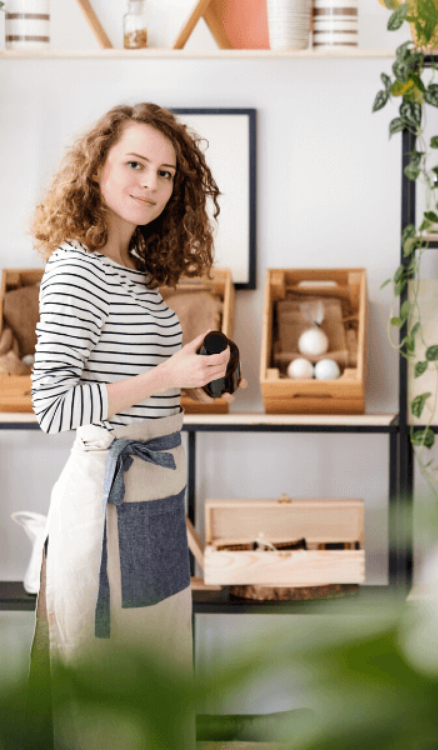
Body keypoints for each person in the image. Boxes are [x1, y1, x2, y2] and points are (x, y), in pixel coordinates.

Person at [27, 102, 244, 749]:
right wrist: (163, 378)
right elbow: (54, 406)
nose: (151, 183)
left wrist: (200, 378)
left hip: (150, 499)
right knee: (112, 713)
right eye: (135, 164)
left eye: (166, 173)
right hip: (105, 509)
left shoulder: (137, 273)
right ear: (96, 167)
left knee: (157, 694)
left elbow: (140, 392)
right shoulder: (75, 270)